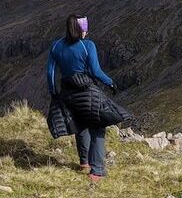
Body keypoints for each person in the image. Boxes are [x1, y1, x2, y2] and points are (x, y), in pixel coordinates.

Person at [47, 14, 126, 182]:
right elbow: (95, 72)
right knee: (97, 127)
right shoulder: (87, 46)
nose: (87, 31)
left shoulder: (56, 46)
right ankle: (96, 171)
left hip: (67, 93)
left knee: (80, 124)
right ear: (79, 29)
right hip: (86, 91)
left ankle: (84, 162)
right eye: (85, 28)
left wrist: (55, 93)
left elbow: (51, 73)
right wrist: (110, 83)